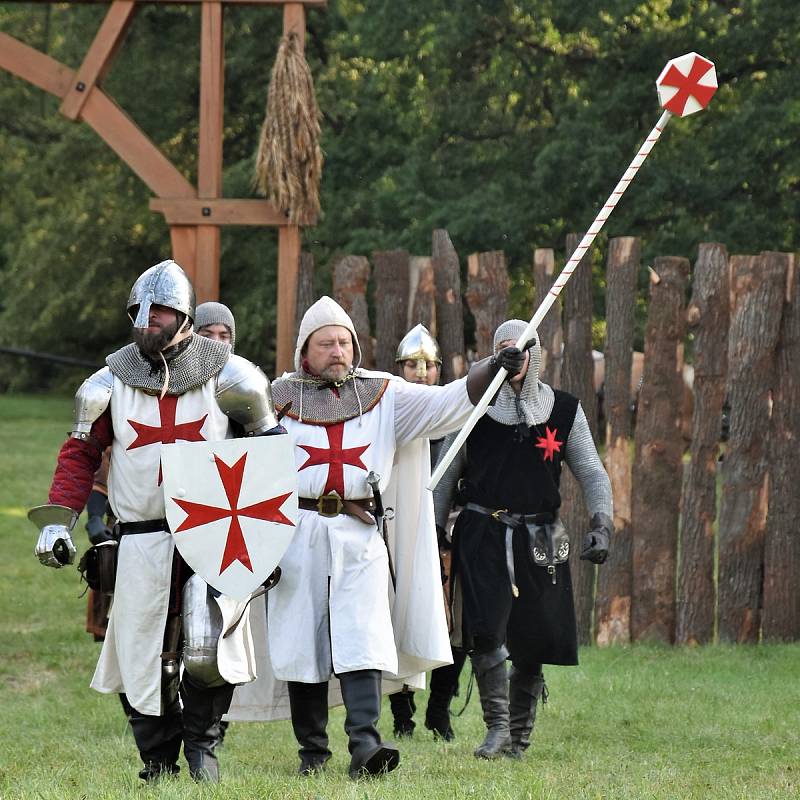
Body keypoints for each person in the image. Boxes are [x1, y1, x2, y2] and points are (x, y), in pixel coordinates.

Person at [31, 259, 283, 783]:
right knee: (139, 650)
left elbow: (269, 455)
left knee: (210, 647)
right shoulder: (106, 383)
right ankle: (157, 760)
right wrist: (59, 521)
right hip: (142, 535)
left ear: (185, 315)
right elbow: (79, 455)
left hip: (215, 533)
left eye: (160, 311)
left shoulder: (230, 374)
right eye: (139, 311)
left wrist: (266, 539)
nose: (148, 320)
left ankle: (202, 750)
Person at [266, 296, 528, 778]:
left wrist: (494, 367)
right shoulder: (278, 398)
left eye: (344, 342)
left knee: (361, 635)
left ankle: (366, 745)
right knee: (302, 639)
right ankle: (312, 753)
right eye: (326, 343)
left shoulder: (384, 394)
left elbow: (447, 402)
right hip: (297, 533)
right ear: (306, 350)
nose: (337, 351)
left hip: (358, 532)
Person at [433, 319, 613, 760]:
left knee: (534, 635)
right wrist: (435, 534)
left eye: (522, 348)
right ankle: (496, 730)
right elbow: (444, 477)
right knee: (486, 630)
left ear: (536, 355)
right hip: (483, 531)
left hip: (542, 534)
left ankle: (519, 737)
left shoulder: (564, 409)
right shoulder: (472, 409)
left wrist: (603, 522)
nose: (515, 355)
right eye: (504, 348)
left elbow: (590, 470)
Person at [388, 323, 467, 741]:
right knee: (400, 619)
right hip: (400, 531)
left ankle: (439, 710)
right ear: (399, 367)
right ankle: (403, 714)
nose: (421, 372)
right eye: (413, 364)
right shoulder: (390, 411)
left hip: (450, 538)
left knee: (454, 626)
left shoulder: (456, 416)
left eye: (429, 365)